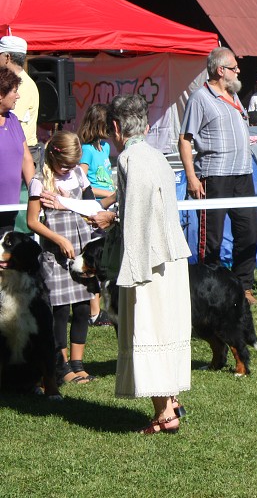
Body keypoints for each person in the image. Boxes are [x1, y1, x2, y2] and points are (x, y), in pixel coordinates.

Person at [94, 94, 192, 434]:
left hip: (147, 260)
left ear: (116, 127)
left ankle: (165, 415)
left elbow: (135, 216)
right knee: (166, 329)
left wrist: (110, 220)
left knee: (149, 330)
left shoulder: (129, 159)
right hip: (170, 256)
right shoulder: (157, 155)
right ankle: (171, 402)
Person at [179, 47, 257, 304]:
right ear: (221, 70)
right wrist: (192, 177)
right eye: (234, 67)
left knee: (248, 231)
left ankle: (244, 287)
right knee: (211, 236)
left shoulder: (233, 96)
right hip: (214, 175)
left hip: (243, 174)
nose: (239, 71)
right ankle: (209, 285)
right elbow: (185, 140)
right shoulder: (200, 98)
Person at [27, 131, 97, 385]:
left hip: (81, 251)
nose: (69, 169)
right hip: (56, 256)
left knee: (82, 307)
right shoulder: (39, 182)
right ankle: (61, 365)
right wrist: (58, 240)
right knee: (60, 310)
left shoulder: (78, 174)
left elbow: (91, 207)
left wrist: (70, 203)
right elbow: (32, 221)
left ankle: (78, 363)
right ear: (54, 156)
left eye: (73, 164)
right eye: (65, 165)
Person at [76, 103, 116, 326]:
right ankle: (94, 312)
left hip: (108, 206)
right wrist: (108, 193)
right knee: (93, 258)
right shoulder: (87, 150)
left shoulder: (106, 148)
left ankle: (104, 307)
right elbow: (84, 182)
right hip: (95, 206)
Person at [0, 68, 34, 232]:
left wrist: (35, 192)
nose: (18, 96)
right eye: (14, 91)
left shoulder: (12, 120)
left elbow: (26, 159)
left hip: (10, 209)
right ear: (0, 95)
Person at [1, 36, 40, 164]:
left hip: (22, 153)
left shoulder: (23, 85)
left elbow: (10, 121)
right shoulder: (14, 82)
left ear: (7, 57)